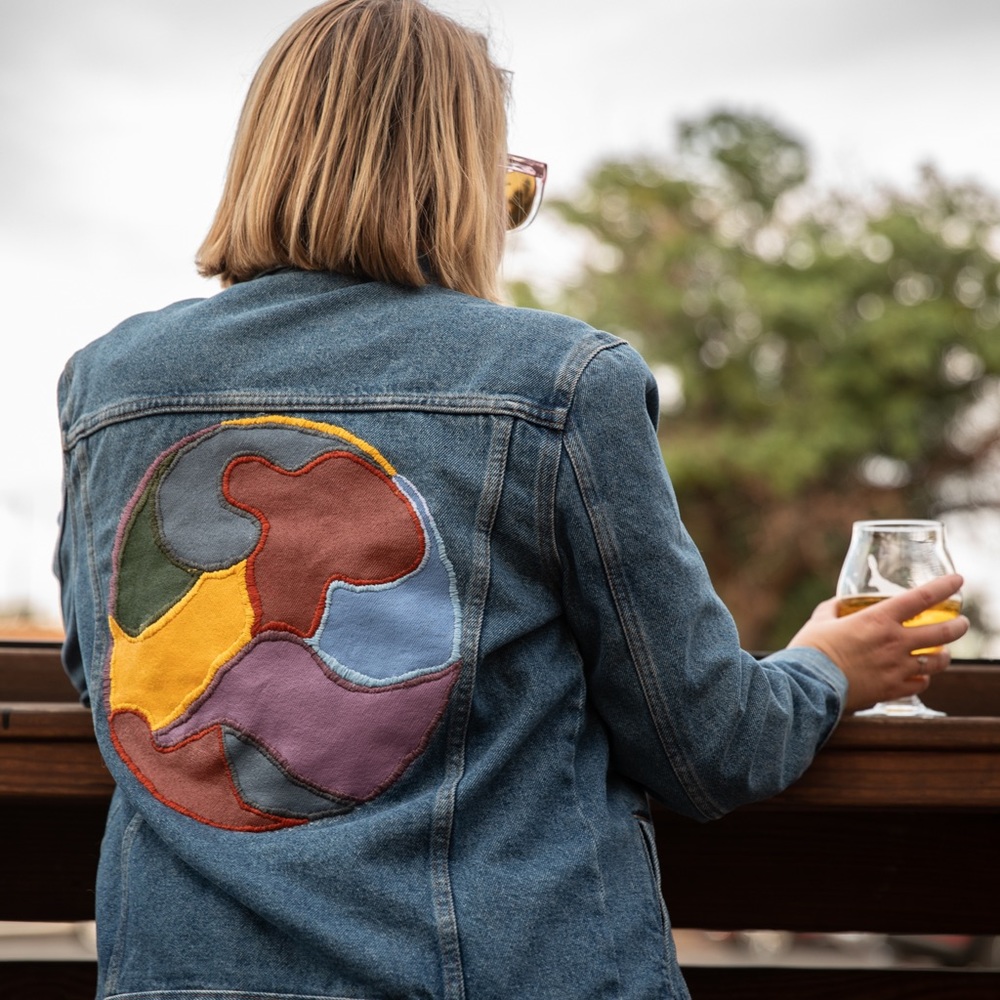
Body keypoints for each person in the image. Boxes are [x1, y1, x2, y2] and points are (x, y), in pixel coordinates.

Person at [54, 1, 968, 998]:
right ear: (456, 181)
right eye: (509, 187)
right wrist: (827, 666)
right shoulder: (562, 381)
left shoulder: (109, 386)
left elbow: (106, 667)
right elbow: (707, 744)